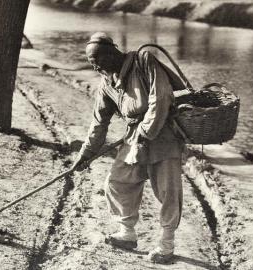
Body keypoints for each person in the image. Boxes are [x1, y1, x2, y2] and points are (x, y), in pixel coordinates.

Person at [72, 32, 185, 264]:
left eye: (97, 61)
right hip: (135, 137)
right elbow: (99, 122)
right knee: (117, 182)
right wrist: (86, 154)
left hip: (163, 134)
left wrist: (146, 131)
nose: (95, 67)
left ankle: (166, 245)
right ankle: (127, 233)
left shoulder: (144, 61)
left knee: (167, 191)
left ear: (112, 53)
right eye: (91, 64)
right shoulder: (106, 83)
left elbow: (161, 97)